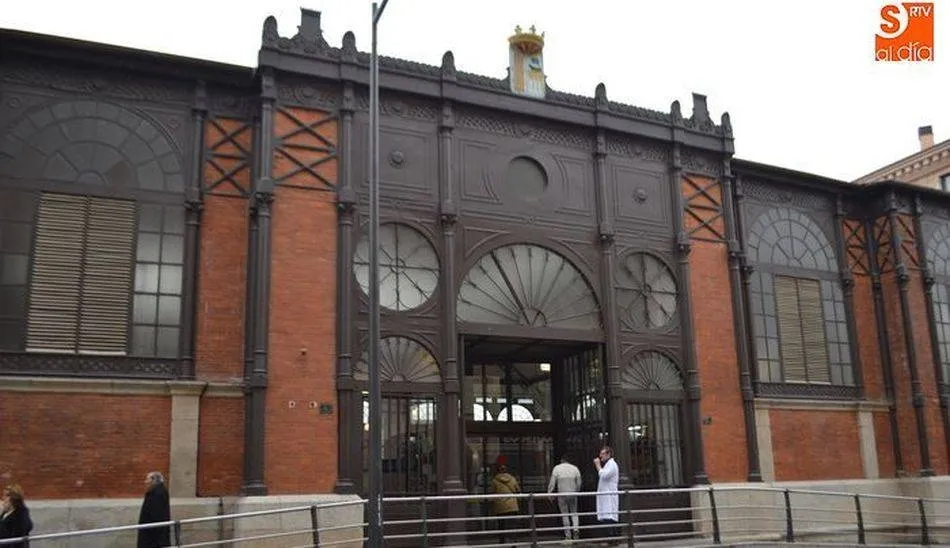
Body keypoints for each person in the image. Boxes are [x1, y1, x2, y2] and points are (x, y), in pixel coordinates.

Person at [547, 455, 582, 541]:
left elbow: (552, 483)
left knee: (565, 514)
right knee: (574, 512)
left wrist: (549, 493)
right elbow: (579, 483)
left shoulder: (557, 468)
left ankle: (568, 535)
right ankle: (576, 529)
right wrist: (576, 491)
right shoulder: (575, 468)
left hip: (562, 494)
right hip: (573, 494)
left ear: (562, 460)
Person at [137, 471, 171, 548]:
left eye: (148, 479)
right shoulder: (156, 491)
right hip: (152, 532)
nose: (145, 482)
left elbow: (157, 515)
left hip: (153, 534)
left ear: (154, 480)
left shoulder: (158, 493)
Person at [490, 461, 520, 544]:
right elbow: (518, 490)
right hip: (512, 505)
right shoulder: (512, 479)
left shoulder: (494, 480)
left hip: (500, 506)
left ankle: (502, 541)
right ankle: (513, 542)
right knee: (512, 525)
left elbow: (493, 492)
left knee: (501, 524)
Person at [593, 446, 619, 543]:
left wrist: (598, 466)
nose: (600, 456)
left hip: (609, 495)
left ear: (608, 454)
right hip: (606, 495)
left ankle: (612, 539)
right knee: (607, 517)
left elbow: (604, 475)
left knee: (609, 517)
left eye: (602, 454)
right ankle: (611, 539)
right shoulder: (608, 464)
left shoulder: (612, 464)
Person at [0, 484, 33, 548]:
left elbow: (20, 533)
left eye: (7, 495)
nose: (3, 498)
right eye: (3, 495)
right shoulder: (5, 512)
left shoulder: (20, 514)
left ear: (14, 497)